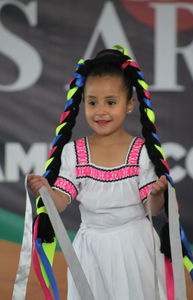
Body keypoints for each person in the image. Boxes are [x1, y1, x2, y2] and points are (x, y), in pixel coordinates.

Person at [28, 46, 170, 300]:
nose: (100, 110)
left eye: (111, 102)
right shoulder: (74, 152)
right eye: (92, 102)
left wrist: (158, 194)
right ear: (83, 103)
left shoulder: (141, 152)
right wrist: (47, 193)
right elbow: (61, 202)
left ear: (129, 105)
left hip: (135, 246)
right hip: (90, 249)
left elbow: (155, 209)